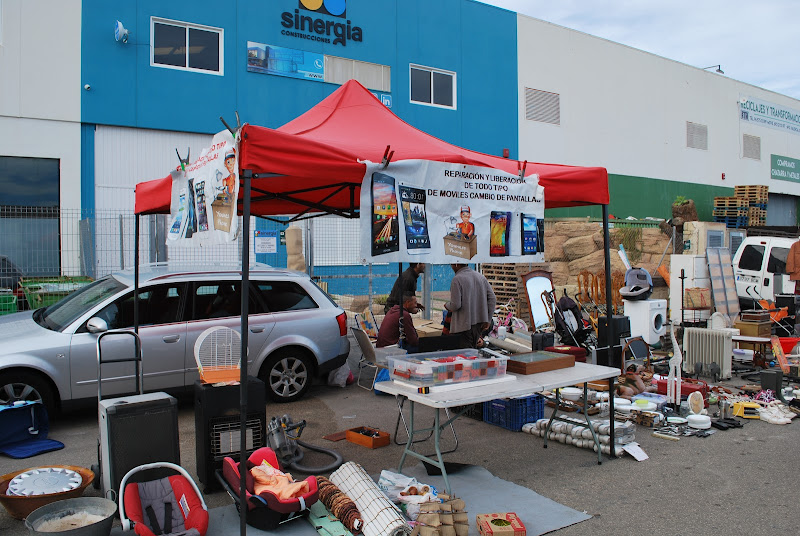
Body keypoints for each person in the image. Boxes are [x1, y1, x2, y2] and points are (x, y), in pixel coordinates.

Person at [444, 264, 496, 348]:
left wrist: (447, 305)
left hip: (462, 327)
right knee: (472, 354)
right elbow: (492, 298)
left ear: (456, 264)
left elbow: (455, 305)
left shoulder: (457, 279)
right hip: (478, 326)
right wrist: (488, 319)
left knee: (464, 356)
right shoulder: (480, 277)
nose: (451, 266)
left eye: (452, 264)